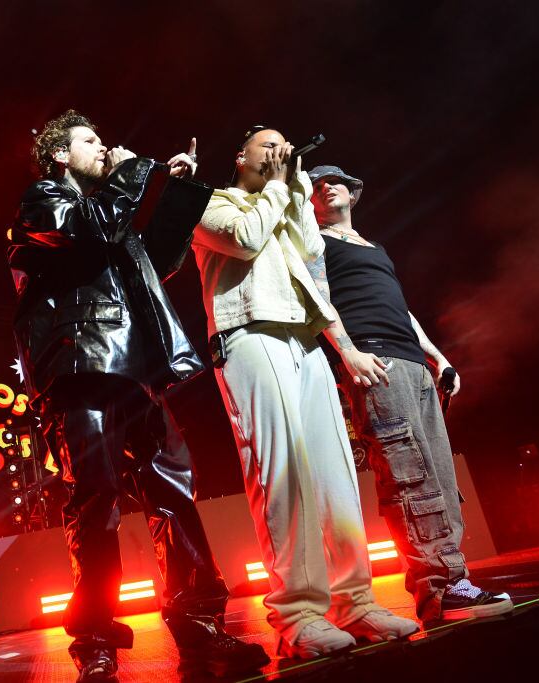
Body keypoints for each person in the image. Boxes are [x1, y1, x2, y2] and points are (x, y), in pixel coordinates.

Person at [8, 110, 269, 681]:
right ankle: (96, 640)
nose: (105, 147)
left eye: (104, 140)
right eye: (90, 141)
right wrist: (138, 171)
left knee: (174, 494)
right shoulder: (44, 201)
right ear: (59, 155)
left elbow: (158, 261)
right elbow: (90, 229)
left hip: (138, 370)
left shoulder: (112, 213)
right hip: (82, 366)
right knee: (95, 500)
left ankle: (199, 626)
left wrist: (174, 192)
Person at [191, 126, 418, 659]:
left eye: (283, 146)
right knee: (281, 473)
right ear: (240, 156)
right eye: (268, 145)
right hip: (249, 332)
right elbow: (245, 240)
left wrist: (293, 190)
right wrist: (276, 186)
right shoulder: (210, 202)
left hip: (303, 335)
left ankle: (355, 602)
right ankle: (297, 614)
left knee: (336, 475)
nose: (280, 152)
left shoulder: (282, 198)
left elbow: (311, 249)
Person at [308, 164, 513, 624]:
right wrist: (348, 353)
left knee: (438, 475)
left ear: (353, 194)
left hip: (413, 365)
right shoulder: (315, 242)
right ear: (310, 201)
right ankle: (439, 589)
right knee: (409, 477)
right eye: (317, 184)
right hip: (376, 363)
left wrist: (438, 358)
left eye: (336, 180)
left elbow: (403, 311)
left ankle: (451, 582)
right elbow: (318, 300)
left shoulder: (374, 248)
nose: (327, 186)